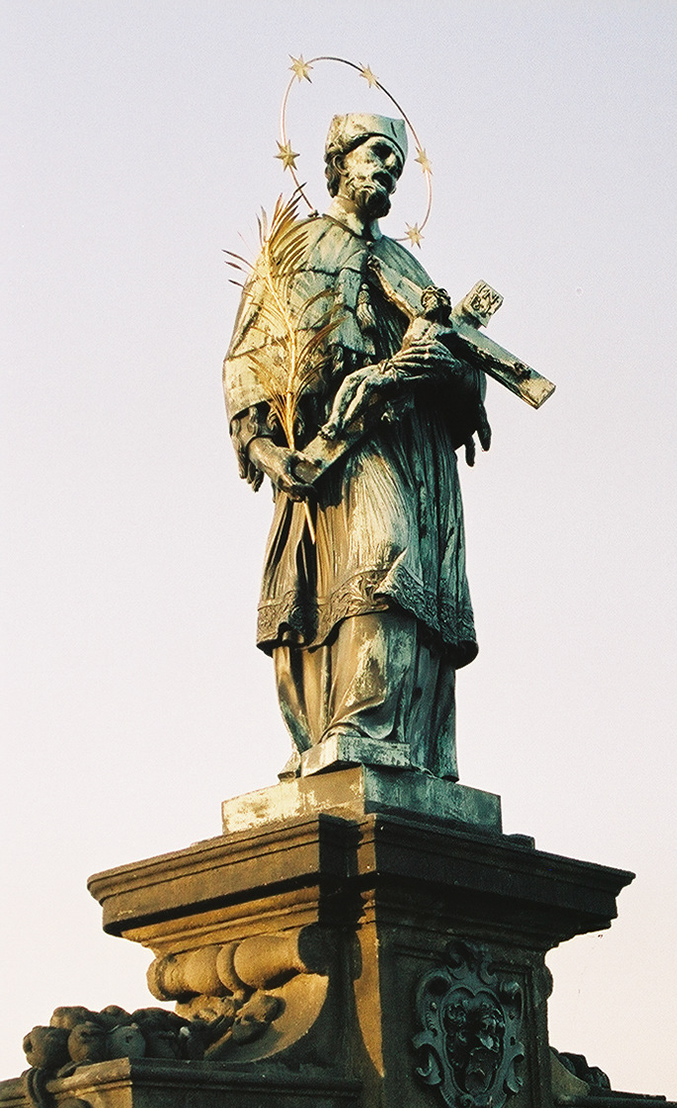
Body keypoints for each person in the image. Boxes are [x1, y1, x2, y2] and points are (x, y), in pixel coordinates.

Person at [223, 112, 489, 778]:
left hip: (413, 444)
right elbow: (252, 358)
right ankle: (356, 727)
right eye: (376, 155)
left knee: (409, 573)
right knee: (379, 553)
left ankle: (408, 744)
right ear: (339, 161)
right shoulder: (295, 249)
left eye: (398, 163)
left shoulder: (405, 264)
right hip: (336, 448)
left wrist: (454, 374)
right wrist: (264, 447)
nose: (388, 171)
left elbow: (460, 363)